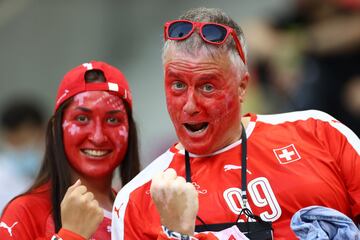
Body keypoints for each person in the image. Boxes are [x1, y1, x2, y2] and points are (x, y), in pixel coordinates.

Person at [111, 7, 360, 240]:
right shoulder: (137, 200)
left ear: (242, 86)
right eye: (177, 85)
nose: (189, 105)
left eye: (207, 86)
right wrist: (177, 234)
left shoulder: (320, 133)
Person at [0, 60, 140, 240]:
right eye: (82, 118)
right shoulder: (24, 213)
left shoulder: (144, 213)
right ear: (55, 129)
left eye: (112, 120)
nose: (98, 137)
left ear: (130, 131)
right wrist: (71, 235)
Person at [0, 99, 45, 213]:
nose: (20, 144)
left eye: (25, 137)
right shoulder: (3, 172)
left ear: (42, 131)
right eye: (15, 140)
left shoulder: (59, 168)